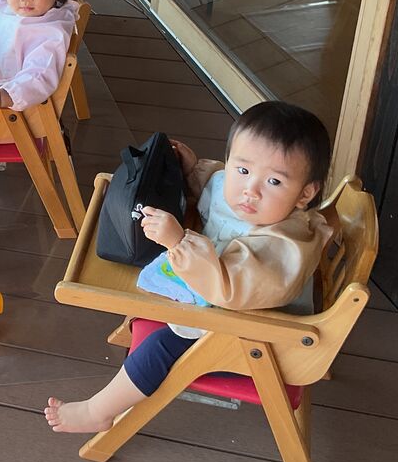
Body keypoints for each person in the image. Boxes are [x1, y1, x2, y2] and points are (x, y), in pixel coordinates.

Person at [44, 101, 333, 434]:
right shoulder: (251, 200)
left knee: (160, 347)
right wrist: (193, 169)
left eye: (274, 182)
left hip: (261, 337)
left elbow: (230, 287)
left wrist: (180, 243)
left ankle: (98, 411)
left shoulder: (283, 247)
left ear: (305, 194)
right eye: (243, 170)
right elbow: (216, 183)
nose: (250, 191)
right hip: (229, 309)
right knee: (142, 276)